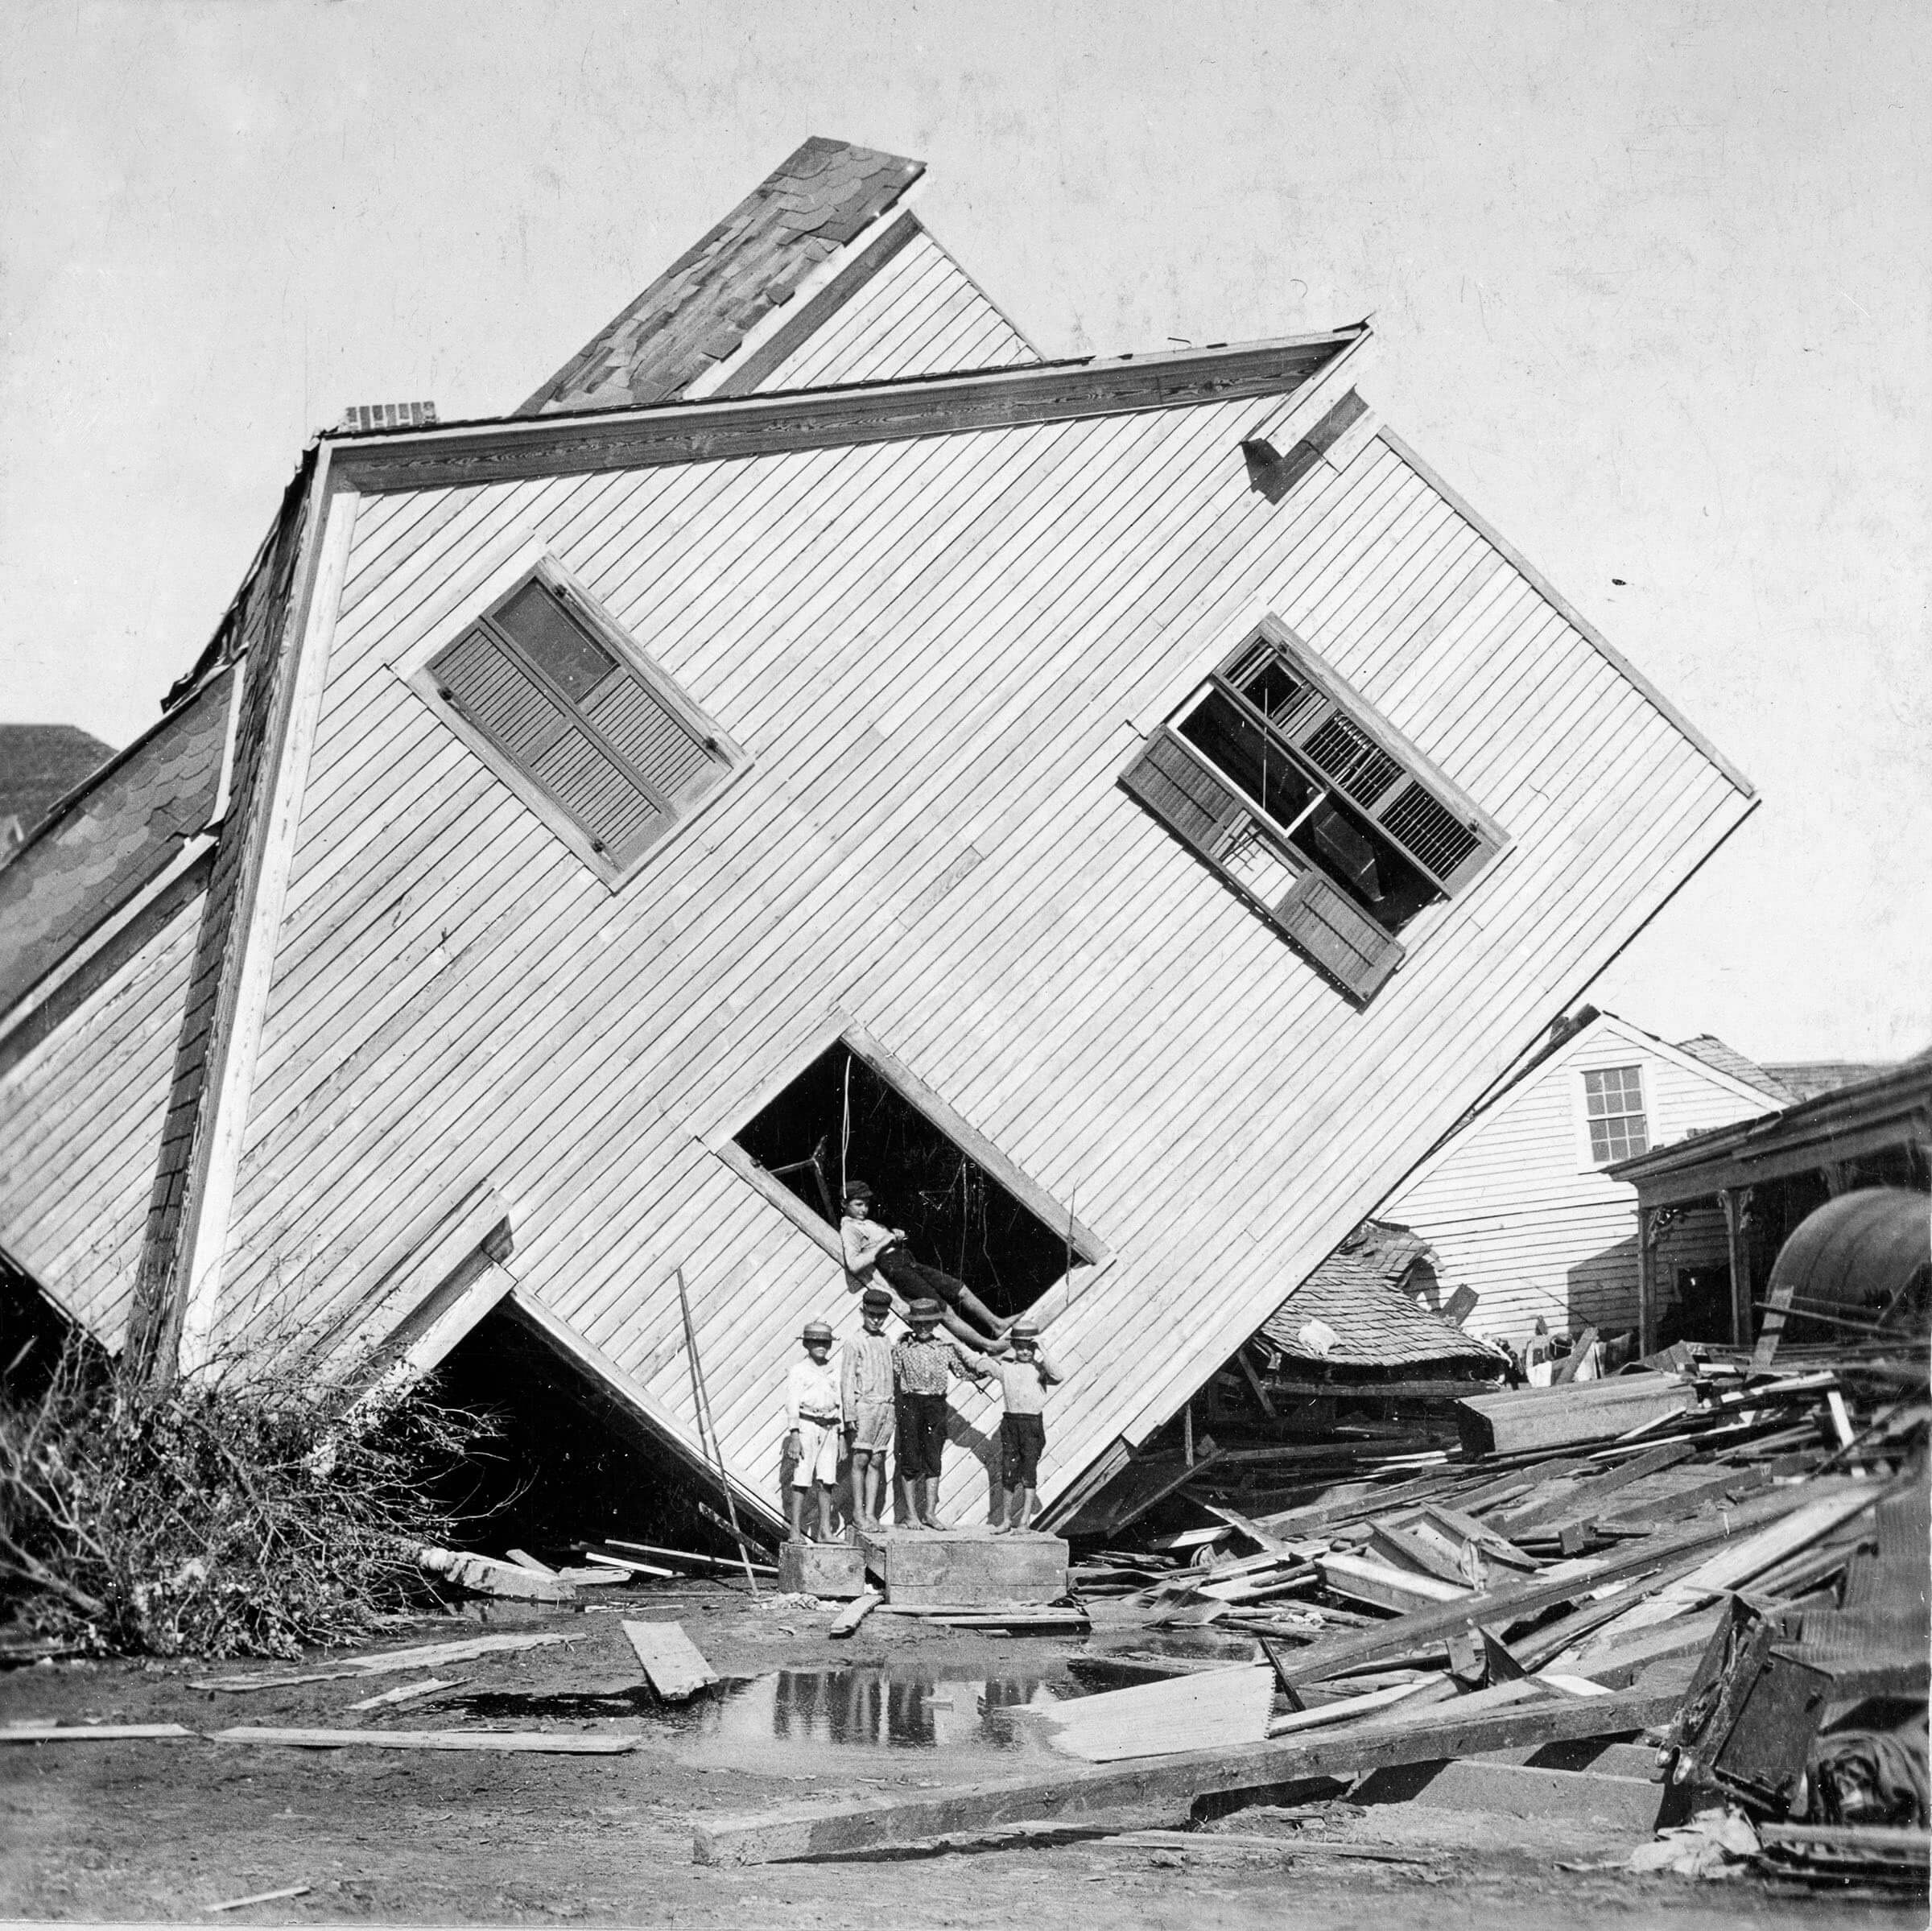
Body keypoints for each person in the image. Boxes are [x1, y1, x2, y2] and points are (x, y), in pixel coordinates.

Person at [839, 1182, 1011, 1351]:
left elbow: (882, 1240)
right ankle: (989, 1345)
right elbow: (854, 1265)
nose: (864, 1209)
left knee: (960, 1289)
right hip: (896, 1270)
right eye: (858, 1204)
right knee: (945, 1310)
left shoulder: (866, 1223)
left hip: (907, 1261)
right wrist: (883, 1243)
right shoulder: (849, 1228)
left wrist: (895, 1236)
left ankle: (997, 1324)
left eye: (866, 1205)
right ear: (844, 1204)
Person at [956, 1318, 1063, 1533]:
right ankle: (1005, 1521)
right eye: (1021, 1347)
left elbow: (1058, 1376)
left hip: (1032, 1425)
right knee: (1009, 1472)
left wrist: (1043, 1347)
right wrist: (957, 1347)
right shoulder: (1006, 1368)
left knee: (1029, 1472)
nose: (1025, 1352)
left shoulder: (1040, 1370)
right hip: (1011, 1423)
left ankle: (1024, 1521)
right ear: (1014, 1346)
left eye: (1029, 1348)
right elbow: (980, 1363)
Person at [891, 1296, 986, 1530]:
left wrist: (987, 1368)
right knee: (910, 1459)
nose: (923, 1328)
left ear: (935, 1324)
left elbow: (964, 1373)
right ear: (912, 1324)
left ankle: (930, 1513)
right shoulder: (902, 1347)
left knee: (933, 1459)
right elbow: (891, 1374)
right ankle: (911, 1515)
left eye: (928, 1323)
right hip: (911, 1403)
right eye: (918, 1324)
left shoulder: (945, 1348)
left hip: (935, 1406)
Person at [840, 1285, 897, 1534]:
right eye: (871, 1314)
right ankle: (858, 1513)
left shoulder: (886, 1341)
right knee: (861, 1458)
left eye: (881, 1316)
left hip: (886, 1407)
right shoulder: (854, 1341)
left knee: (877, 1459)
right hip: (864, 1406)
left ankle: (872, 1513)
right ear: (863, 1312)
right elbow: (847, 1380)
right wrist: (849, 1413)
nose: (876, 1320)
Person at [782, 1318, 843, 1544]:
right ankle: (795, 1531)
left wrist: (842, 1434)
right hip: (807, 1426)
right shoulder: (799, 1370)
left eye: (825, 1343)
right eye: (815, 1342)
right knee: (802, 1479)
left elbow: (841, 1404)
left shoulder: (834, 1370)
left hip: (830, 1426)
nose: (821, 1346)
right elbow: (792, 1404)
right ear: (806, 1344)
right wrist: (795, 1436)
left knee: (827, 1479)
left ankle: (825, 1531)